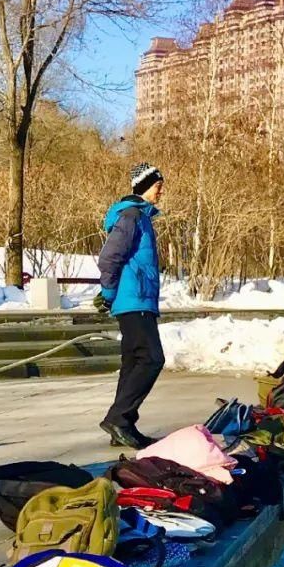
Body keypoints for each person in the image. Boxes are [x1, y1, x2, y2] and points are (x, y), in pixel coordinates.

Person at [97, 163, 166, 450]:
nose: (161, 190)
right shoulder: (131, 216)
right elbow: (109, 257)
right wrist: (109, 292)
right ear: (144, 186)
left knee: (133, 363)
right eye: (157, 185)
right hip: (132, 300)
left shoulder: (142, 218)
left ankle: (123, 427)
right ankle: (119, 418)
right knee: (152, 358)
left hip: (139, 301)